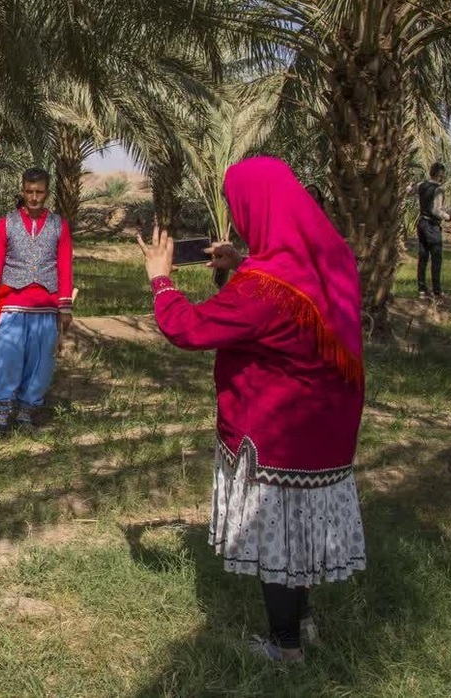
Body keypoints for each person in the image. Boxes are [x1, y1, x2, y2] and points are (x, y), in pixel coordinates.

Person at [136, 155, 367, 663]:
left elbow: (190, 329)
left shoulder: (262, 289)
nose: (237, 216)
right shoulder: (332, 258)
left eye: (238, 206)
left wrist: (161, 279)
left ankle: (284, 648)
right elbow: (295, 291)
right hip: (328, 427)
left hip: (276, 431)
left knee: (280, 534)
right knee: (302, 524)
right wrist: (241, 260)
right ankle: (303, 625)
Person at [0, 167, 74, 436]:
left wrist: (65, 306)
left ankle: (25, 413)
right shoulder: (6, 223)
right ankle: (0, 415)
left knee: (40, 363)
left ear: (47, 193)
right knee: (7, 359)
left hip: (45, 307)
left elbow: (64, 266)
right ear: (22, 191)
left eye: (39, 192)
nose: (34, 197)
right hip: (12, 306)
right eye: (29, 192)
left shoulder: (59, 225)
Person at [408, 163, 451, 299]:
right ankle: (436, 290)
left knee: (423, 257)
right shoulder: (439, 189)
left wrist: (410, 185)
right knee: (436, 258)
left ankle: (422, 289)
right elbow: (436, 210)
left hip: (421, 223)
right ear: (441, 174)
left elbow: (409, 191)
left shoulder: (421, 185)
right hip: (432, 226)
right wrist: (448, 217)